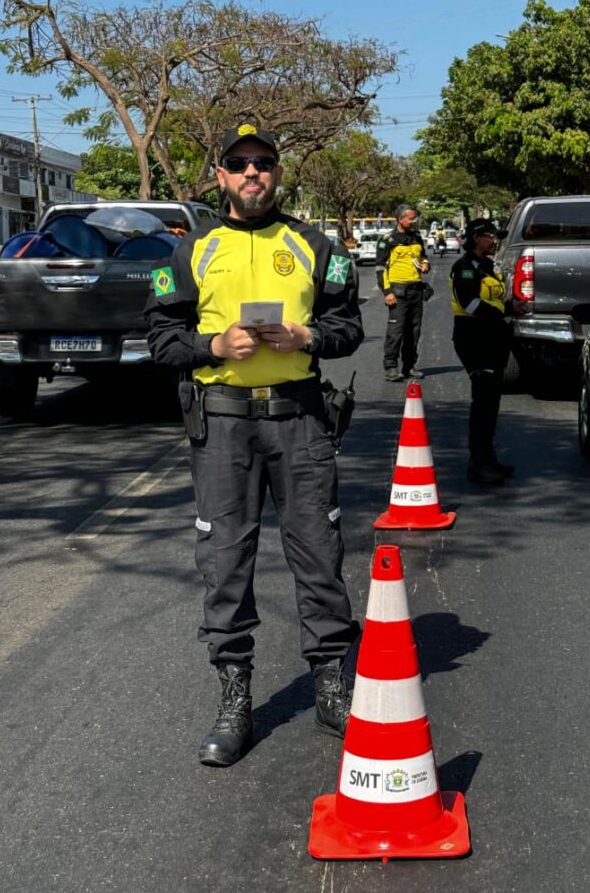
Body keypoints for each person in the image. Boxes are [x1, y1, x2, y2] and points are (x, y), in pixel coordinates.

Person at [145, 122, 363, 767]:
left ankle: (330, 684)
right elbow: (161, 338)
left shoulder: (315, 244)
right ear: (220, 175)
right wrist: (213, 347)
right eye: (239, 164)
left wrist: (308, 339)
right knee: (225, 558)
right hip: (223, 426)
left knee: (319, 551)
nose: (251, 174)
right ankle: (234, 694)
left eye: (262, 163)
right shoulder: (190, 251)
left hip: (299, 421)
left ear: (277, 172)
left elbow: (348, 326)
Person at [450, 218, 528, 485]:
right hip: (475, 338)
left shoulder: (488, 267)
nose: (495, 241)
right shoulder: (465, 269)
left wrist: (511, 307)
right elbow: (470, 304)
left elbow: (493, 299)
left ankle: (488, 459)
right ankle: (478, 463)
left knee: (492, 403)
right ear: (475, 238)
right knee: (482, 403)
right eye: (490, 236)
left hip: (494, 337)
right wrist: (503, 311)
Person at [375, 204, 431, 382]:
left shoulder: (416, 237)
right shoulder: (388, 240)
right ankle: (391, 367)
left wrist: (425, 264)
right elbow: (380, 268)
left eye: (415, 218)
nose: (414, 221)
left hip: (416, 291)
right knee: (395, 332)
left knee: (413, 332)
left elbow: (423, 257)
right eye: (411, 218)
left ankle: (409, 366)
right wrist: (387, 292)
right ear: (400, 219)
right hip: (397, 293)